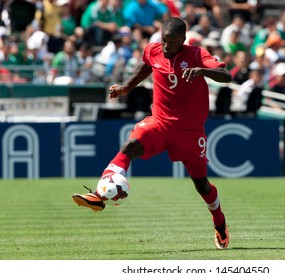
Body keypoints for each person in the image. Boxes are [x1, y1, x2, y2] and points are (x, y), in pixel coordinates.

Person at [72, 17, 231, 250]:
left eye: (173, 42)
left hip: (189, 131)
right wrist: (126, 87)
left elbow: (226, 76)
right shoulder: (153, 50)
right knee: (129, 147)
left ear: (183, 40)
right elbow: (146, 66)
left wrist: (202, 71)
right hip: (160, 123)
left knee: (201, 185)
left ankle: (219, 222)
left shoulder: (196, 55)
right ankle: (98, 194)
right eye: (164, 40)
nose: (167, 46)